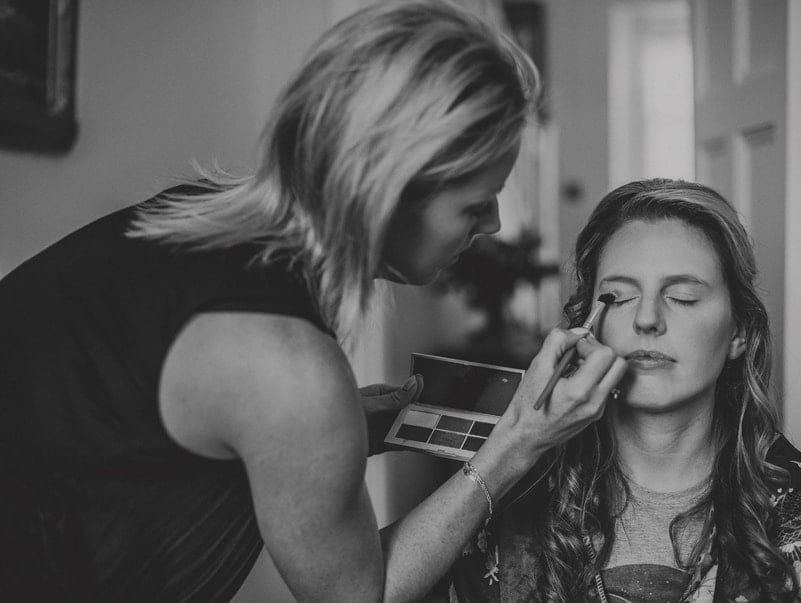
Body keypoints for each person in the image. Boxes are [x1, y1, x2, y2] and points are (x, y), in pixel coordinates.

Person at [0, 2, 629, 601]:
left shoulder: (201, 214)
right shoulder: (287, 367)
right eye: (473, 203)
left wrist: (346, 426)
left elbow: (131, 431)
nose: (491, 224)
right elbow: (361, 592)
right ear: (386, 190)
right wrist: (519, 442)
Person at [449, 179, 801, 602]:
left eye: (683, 297)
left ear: (739, 332)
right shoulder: (507, 497)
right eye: (619, 297)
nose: (647, 319)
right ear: (586, 326)